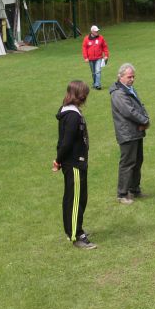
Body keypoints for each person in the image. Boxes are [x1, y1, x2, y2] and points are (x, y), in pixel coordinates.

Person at [52, 80, 96, 249]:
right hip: (74, 164)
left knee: (78, 197)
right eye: (84, 94)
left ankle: (76, 229)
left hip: (76, 163)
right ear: (79, 95)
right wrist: (58, 160)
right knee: (75, 200)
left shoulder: (71, 112)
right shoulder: (72, 115)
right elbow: (66, 142)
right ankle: (75, 235)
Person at [109, 63, 150, 205]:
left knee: (138, 161)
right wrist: (145, 120)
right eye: (129, 77)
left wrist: (145, 119)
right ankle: (122, 194)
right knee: (127, 163)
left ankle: (134, 189)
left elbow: (139, 106)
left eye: (133, 77)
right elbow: (129, 111)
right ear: (120, 77)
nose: (132, 79)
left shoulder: (129, 89)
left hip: (135, 131)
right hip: (127, 133)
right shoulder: (118, 93)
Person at [82, 25, 109, 90]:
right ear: (92, 31)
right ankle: (95, 83)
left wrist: (106, 55)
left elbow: (105, 46)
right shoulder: (86, 38)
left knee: (98, 71)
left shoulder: (101, 38)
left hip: (99, 58)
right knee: (93, 72)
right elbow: (84, 48)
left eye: (97, 31)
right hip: (90, 59)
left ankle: (98, 85)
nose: (97, 32)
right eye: (96, 31)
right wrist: (85, 57)